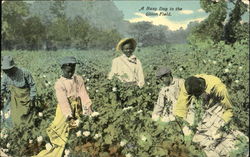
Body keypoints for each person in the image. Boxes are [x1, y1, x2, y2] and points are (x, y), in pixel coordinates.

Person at [173, 74, 248, 157]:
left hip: (217, 104)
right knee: (200, 138)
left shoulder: (219, 88)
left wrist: (221, 125)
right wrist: (182, 128)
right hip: (205, 108)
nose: (196, 97)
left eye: (198, 95)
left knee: (218, 135)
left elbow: (229, 110)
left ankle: (240, 145)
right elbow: (181, 108)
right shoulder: (188, 85)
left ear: (204, 89)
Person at [33, 56, 92, 157]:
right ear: (63, 68)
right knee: (61, 130)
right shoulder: (59, 83)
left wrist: (87, 108)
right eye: (68, 71)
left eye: (72, 70)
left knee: (77, 129)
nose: (70, 73)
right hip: (64, 110)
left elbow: (84, 94)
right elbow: (63, 101)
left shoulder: (79, 79)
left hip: (77, 106)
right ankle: (55, 148)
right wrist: (69, 115)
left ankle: (72, 149)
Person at [1, 55, 36, 127]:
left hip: (25, 100)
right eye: (5, 70)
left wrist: (32, 98)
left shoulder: (24, 73)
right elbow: (2, 89)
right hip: (12, 101)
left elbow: (32, 85)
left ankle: (26, 132)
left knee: (25, 119)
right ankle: (14, 132)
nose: (6, 72)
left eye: (8, 69)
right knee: (8, 117)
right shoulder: (5, 76)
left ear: (13, 67)